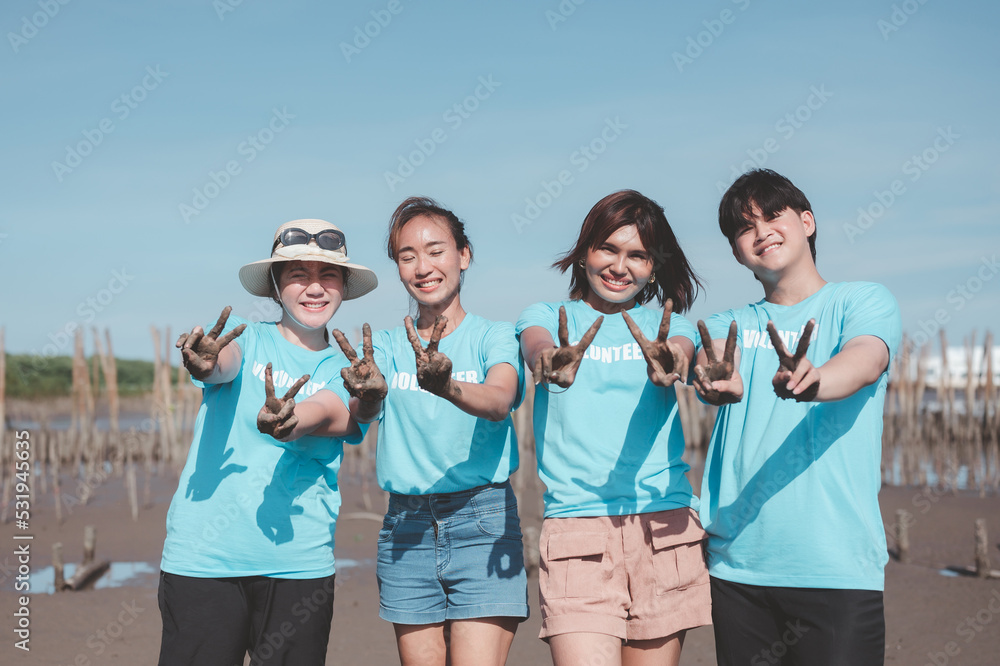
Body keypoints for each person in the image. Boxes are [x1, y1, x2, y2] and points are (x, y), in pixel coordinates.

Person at [267, 197, 529, 666]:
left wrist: (446, 385)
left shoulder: (494, 335)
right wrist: (367, 393)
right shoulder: (385, 346)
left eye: (436, 251)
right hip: (406, 527)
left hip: (482, 519)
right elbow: (361, 411)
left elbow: (499, 400)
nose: (422, 266)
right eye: (408, 257)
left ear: (463, 255)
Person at [692, 169, 902, 666]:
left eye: (772, 215)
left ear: (807, 222)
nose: (761, 230)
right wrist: (709, 371)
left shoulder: (861, 300)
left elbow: (867, 357)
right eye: (745, 228)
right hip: (737, 571)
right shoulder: (730, 325)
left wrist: (816, 381)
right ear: (737, 251)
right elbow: (694, 350)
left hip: (835, 569)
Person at [157, 218, 378, 666]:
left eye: (328, 275)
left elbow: (333, 413)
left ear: (344, 287)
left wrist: (289, 420)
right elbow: (220, 362)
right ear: (276, 287)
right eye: (298, 274)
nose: (314, 287)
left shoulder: (351, 368)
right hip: (204, 560)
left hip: (298, 565)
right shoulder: (244, 336)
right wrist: (205, 362)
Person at [516, 189, 712, 666]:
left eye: (638, 255)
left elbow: (682, 354)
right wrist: (549, 359)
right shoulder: (547, 317)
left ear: (653, 265)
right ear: (585, 251)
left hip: (663, 526)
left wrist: (673, 360)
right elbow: (537, 345)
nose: (620, 266)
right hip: (576, 530)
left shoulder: (670, 325)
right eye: (609, 248)